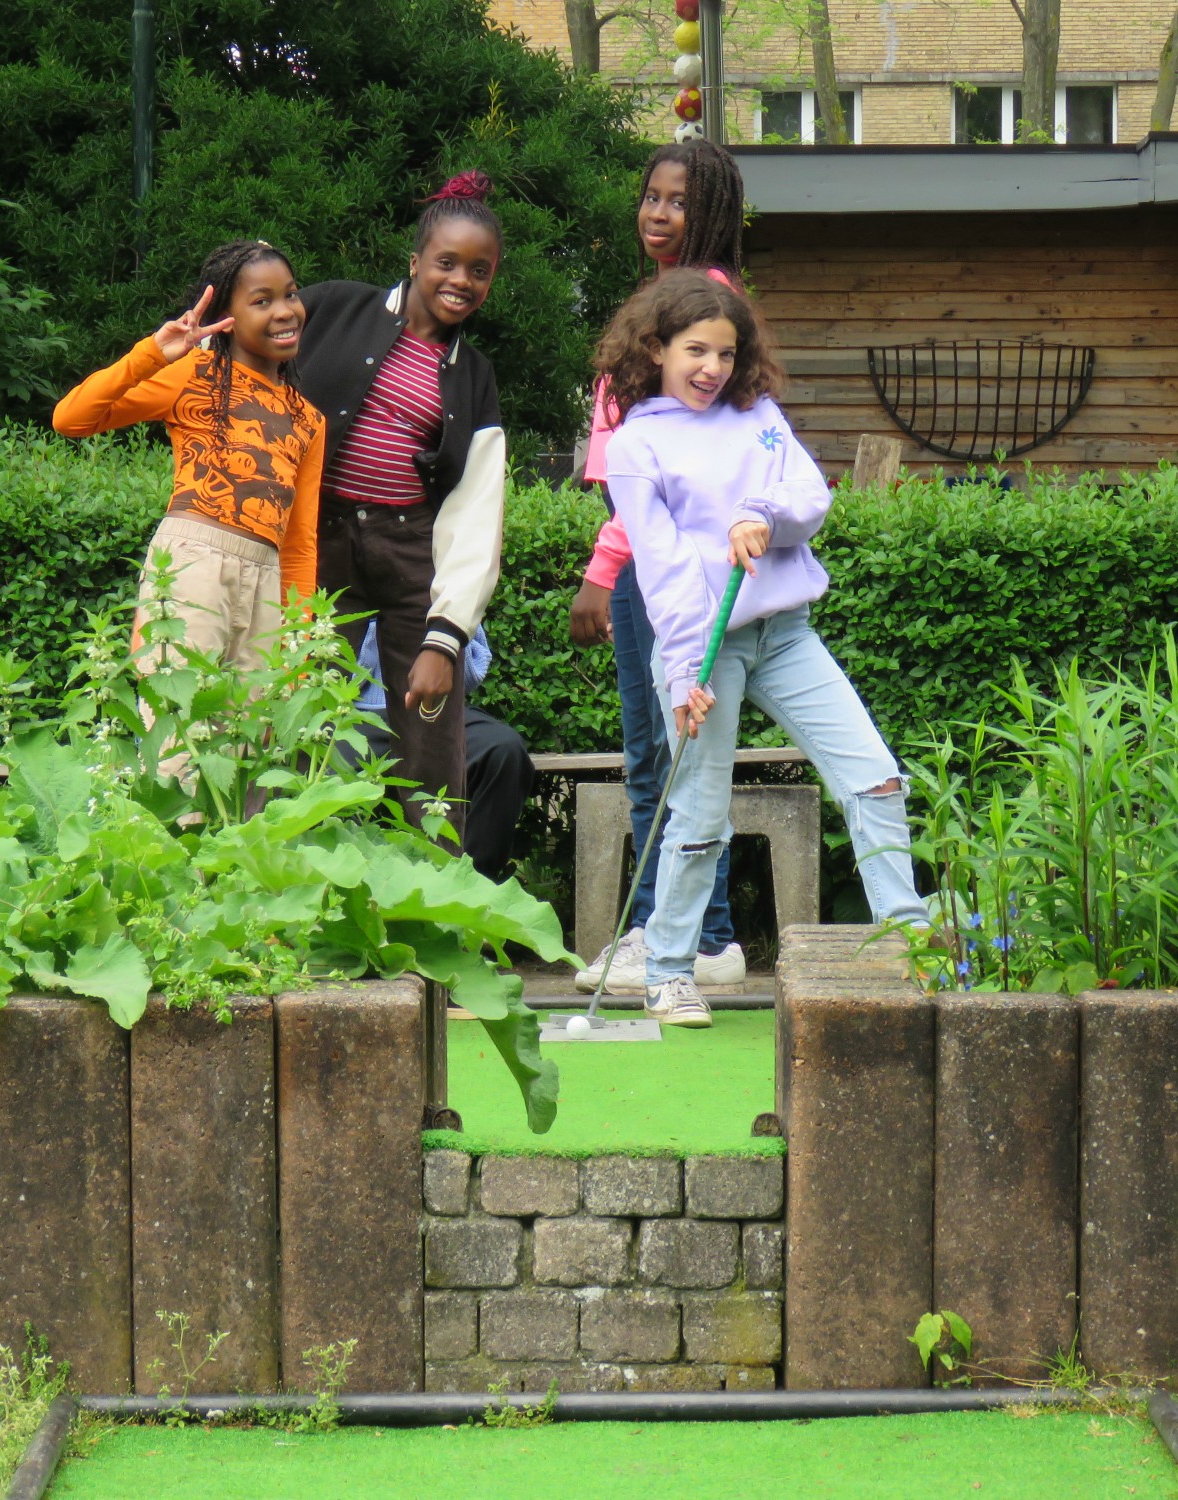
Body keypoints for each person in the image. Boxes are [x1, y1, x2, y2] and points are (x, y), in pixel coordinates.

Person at [597, 272, 928, 1027]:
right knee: (700, 814)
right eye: (695, 351)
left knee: (875, 778)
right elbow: (662, 567)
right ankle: (671, 972)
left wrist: (762, 515)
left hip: (785, 635)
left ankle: (909, 938)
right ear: (656, 347)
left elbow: (810, 497)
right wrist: (683, 673)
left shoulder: (758, 415)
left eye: (725, 352)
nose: (712, 367)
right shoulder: (637, 443)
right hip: (702, 649)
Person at [568, 141, 752, 995]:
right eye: (649, 196)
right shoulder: (672, 300)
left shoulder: (701, 307)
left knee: (661, 752)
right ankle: (692, 929)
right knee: (662, 750)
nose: (656, 212)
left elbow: (656, 463)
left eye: (677, 201)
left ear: (710, 211)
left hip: (659, 561)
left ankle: (683, 933)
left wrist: (604, 568)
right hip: (650, 553)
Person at [291, 173, 508, 847]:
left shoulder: (474, 378)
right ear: (415, 261)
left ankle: (428, 922)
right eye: (447, 263)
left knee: (430, 740)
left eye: (480, 271)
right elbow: (244, 354)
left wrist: (447, 637)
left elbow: (477, 513)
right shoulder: (331, 308)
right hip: (317, 541)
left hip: (412, 552)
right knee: (297, 721)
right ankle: (279, 911)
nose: (462, 281)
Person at [53, 240, 322, 667]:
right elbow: (72, 418)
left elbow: (300, 543)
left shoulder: (308, 419)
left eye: (290, 293)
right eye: (261, 300)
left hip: (268, 583)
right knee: (178, 724)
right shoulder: (191, 375)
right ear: (227, 320)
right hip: (194, 564)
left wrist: (299, 643)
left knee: (253, 732)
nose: (285, 310)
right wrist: (152, 354)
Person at [351, 624, 535, 882]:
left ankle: (470, 892)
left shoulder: (437, 586)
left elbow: (471, 670)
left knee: (501, 751)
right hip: (348, 713)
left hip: (434, 708)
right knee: (321, 769)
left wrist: (440, 643)